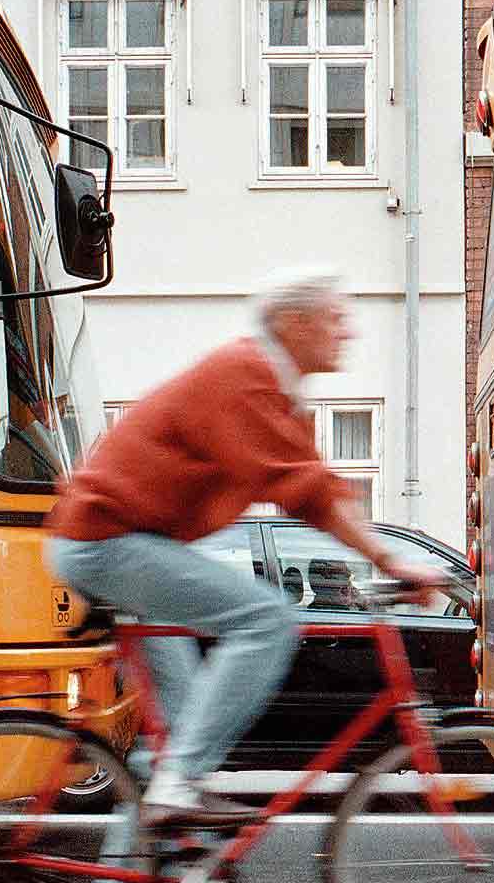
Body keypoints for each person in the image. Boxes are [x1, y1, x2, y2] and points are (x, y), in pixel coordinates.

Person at [46, 267, 445, 828]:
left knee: (179, 742)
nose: (347, 333)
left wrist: (382, 559)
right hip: (106, 539)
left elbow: (309, 493)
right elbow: (310, 491)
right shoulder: (246, 375)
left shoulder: (275, 393)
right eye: (336, 319)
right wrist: (391, 561)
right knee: (268, 618)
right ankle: (177, 788)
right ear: (293, 322)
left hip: (118, 541)